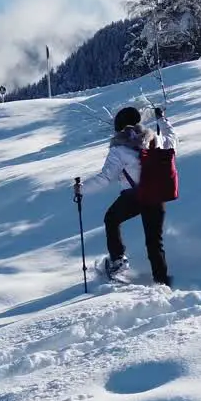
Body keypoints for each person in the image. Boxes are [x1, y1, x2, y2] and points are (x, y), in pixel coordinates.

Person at [74, 104, 177, 286]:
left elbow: (106, 178)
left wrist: (81, 189)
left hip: (135, 196)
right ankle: (162, 281)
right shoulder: (155, 139)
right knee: (154, 241)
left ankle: (118, 259)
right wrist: (162, 118)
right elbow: (172, 139)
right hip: (156, 195)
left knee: (111, 219)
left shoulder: (119, 150)